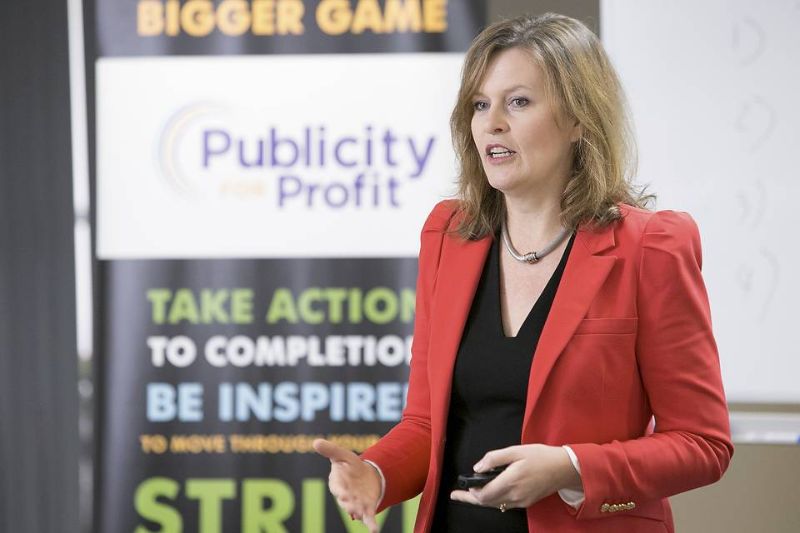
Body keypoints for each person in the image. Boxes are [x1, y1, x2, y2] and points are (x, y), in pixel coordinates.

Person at [313, 12, 733, 533]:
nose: (492, 123)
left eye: (519, 102)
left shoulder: (651, 246)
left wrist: (571, 467)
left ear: (579, 119)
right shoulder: (449, 234)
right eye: (480, 105)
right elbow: (426, 423)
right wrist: (376, 473)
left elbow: (703, 444)